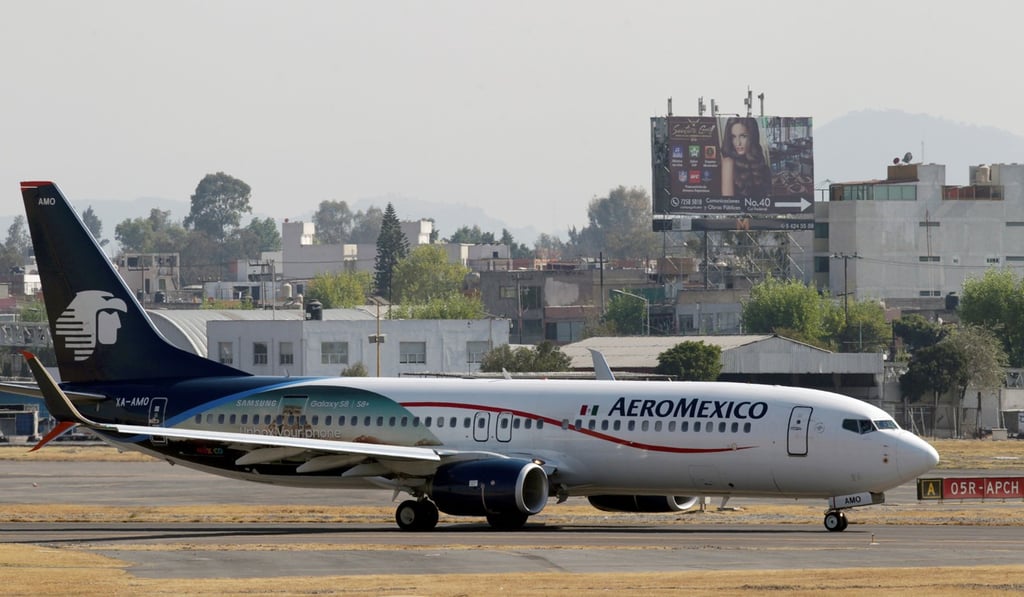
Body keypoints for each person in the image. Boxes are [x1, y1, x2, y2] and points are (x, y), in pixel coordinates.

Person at [720, 117, 772, 198]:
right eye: (733, 137)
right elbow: (729, 205)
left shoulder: (760, 163)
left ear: (752, 137)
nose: (738, 143)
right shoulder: (728, 163)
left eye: (743, 136)